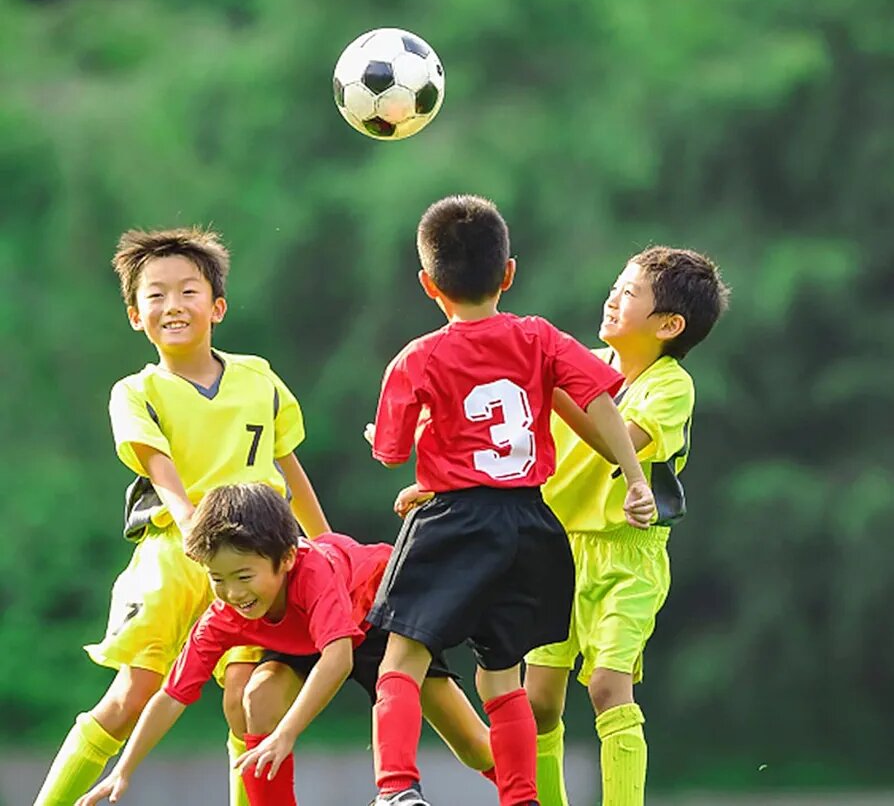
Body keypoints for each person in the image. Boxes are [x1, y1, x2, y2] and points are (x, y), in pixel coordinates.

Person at [364, 194, 656, 806]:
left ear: (428, 285)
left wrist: (392, 441)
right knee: (502, 677)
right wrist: (634, 478)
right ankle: (521, 799)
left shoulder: (419, 357)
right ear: (508, 273)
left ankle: (396, 789)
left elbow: (390, 452)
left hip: (452, 521)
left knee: (401, 658)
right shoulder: (539, 337)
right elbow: (600, 400)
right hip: (529, 524)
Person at [34, 227, 330, 806]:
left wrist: (328, 547)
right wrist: (198, 533)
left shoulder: (258, 377)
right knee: (133, 695)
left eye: (188, 291)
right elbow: (161, 473)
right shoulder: (136, 391)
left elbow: (288, 468)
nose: (173, 305)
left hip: (255, 560)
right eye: (156, 294)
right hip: (175, 555)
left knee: (248, 696)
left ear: (217, 306)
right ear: (135, 316)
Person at [76, 482, 495, 806]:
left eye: (244, 576)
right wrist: (124, 769)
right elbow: (172, 695)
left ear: (288, 559)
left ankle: (523, 785)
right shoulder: (226, 615)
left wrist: (287, 733)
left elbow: (338, 658)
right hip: (305, 638)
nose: (233, 592)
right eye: (218, 579)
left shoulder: (314, 574)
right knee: (259, 694)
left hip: (378, 614)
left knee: (475, 748)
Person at [524, 246, 730, 806]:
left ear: (669, 325)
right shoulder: (579, 365)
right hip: (554, 550)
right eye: (616, 286)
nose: (613, 298)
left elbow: (615, 441)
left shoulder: (670, 386)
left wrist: (553, 387)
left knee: (607, 685)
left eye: (630, 292)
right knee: (538, 702)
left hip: (626, 557)